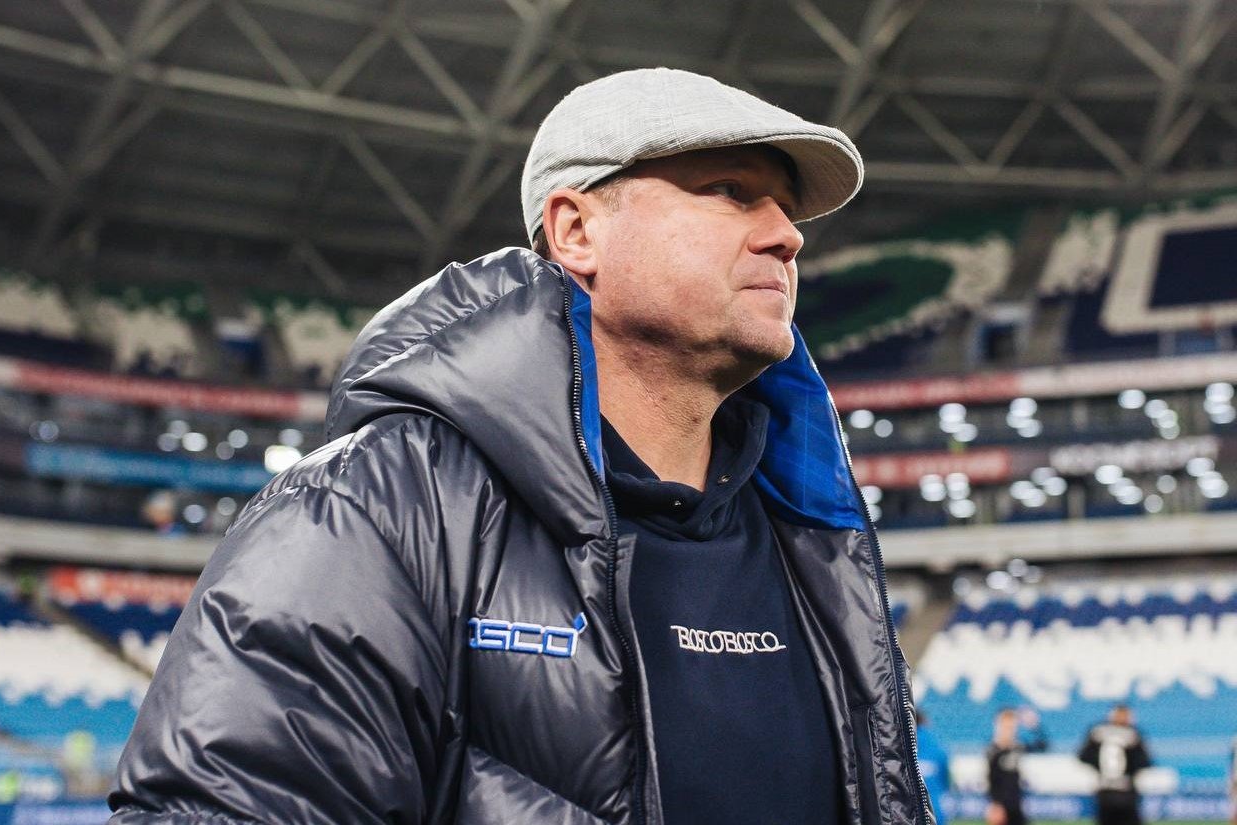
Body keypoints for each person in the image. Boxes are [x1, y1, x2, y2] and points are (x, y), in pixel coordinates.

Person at [108, 68, 931, 824]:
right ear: (576, 230)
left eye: (785, 208)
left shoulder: (813, 537)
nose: (787, 235)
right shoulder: (372, 509)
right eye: (731, 191)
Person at [1078, 704, 1152, 825]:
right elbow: (1144, 761)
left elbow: (1084, 756)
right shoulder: (1132, 733)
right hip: (1123, 789)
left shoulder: (1098, 731)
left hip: (1106, 789)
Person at [985, 706, 1047, 825]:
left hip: (1017, 804)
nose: (1009, 731)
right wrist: (995, 804)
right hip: (1001, 806)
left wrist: (1035, 726)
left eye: (1012, 727)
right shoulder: (993, 750)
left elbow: (1043, 745)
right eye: (1006, 727)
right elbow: (991, 779)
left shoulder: (1018, 747)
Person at [915, 709, 953, 825]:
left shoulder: (900, 746)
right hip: (935, 809)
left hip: (909, 810)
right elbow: (945, 780)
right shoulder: (938, 746)